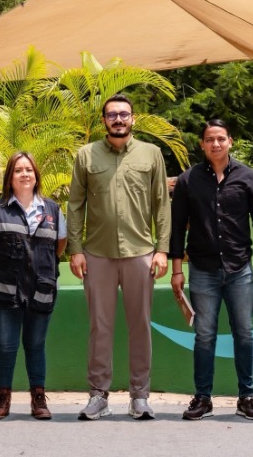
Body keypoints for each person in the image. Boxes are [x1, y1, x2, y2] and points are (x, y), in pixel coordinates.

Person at [67, 93, 171, 421]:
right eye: (112, 115)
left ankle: (140, 396)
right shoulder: (86, 156)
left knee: (140, 325)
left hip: (141, 253)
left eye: (124, 114)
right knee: (100, 326)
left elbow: (161, 205)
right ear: (104, 121)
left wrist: (163, 249)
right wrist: (76, 250)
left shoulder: (151, 154)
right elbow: (75, 206)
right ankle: (98, 395)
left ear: (133, 118)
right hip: (97, 255)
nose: (118, 120)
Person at [169, 119, 253, 421]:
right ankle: (203, 397)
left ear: (230, 141)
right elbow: (177, 227)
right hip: (202, 270)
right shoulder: (188, 180)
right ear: (202, 144)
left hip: (240, 268)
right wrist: (177, 270)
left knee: (244, 333)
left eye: (221, 138)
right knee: (204, 336)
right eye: (209, 139)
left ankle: (247, 397)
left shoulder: (247, 176)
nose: (215, 144)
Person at [0, 152, 67, 420]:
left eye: (29, 170)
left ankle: (38, 399)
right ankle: (2, 398)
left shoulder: (52, 210)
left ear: (36, 175)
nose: (25, 174)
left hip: (42, 287)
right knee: (5, 346)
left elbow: (59, 245)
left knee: (36, 345)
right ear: (10, 178)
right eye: (18, 170)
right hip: (6, 288)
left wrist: (43, 266)